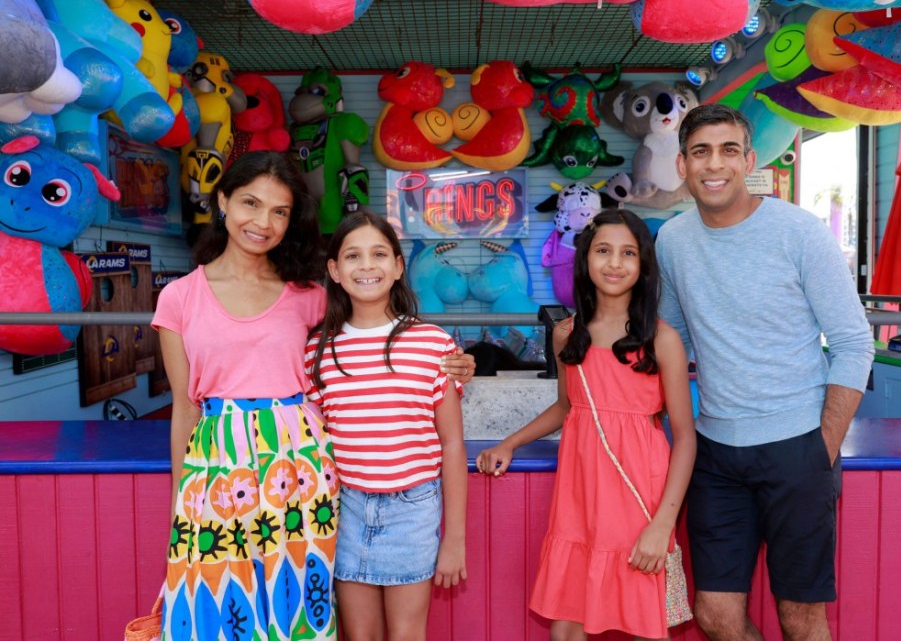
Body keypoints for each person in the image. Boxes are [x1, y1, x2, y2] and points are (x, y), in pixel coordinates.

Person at [153, 152, 474, 639]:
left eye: (279, 211)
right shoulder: (178, 297)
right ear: (222, 201)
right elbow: (184, 406)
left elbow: (372, 333)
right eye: (250, 203)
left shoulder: (307, 295)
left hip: (300, 470)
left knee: (297, 606)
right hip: (217, 466)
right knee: (218, 609)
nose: (263, 222)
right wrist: (183, 499)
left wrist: (459, 362)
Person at [656, 103, 874, 641]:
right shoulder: (672, 242)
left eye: (729, 150)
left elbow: (853, 343)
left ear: (749, 159)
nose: (715, 164)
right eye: (701, 151)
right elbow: (670, 340)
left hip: (798, 446)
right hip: (715, 454)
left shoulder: (800, 233)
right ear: (682, 165)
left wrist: (821, 447)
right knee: (714, 613)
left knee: (801, 616)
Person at [477, 209, 696, 640]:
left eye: (627, 253)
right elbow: (566, 407)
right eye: (603, 251)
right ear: (585, 259)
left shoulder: (663, 339)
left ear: (643, 265)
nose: (614, 263)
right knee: (566, 624)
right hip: (579, 499)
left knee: (642, 622)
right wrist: (510, 443)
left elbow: (686, 438)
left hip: (639, 500)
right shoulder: (567, 334)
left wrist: (662, 525)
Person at [305, 210, 468, 640]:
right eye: (353, 256)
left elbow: (452, 444)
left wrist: (455, 539)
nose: (367, 266)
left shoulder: (433, 345)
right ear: (335, 270)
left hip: (413, 511)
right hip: (345, 512)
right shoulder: (315, 352)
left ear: (398, 266)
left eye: (379, 254)